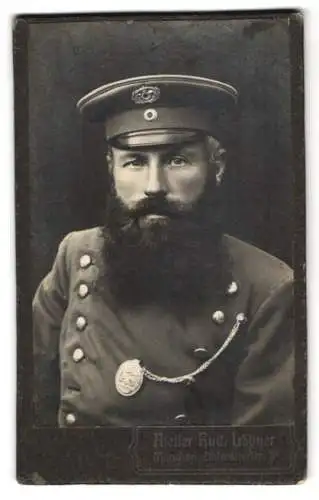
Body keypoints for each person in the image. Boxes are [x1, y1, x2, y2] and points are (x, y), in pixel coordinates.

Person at [33, 74, 294, 427]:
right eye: (135, 162)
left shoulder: (269, 289)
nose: (154, 186)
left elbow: (259, 458)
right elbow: (24, 396)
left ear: (216, 167)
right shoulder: (75, 255)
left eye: (177, 160)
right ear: (111, 170)